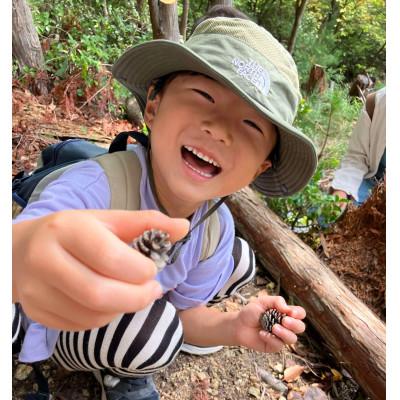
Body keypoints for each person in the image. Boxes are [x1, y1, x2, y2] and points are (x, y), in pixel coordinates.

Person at [12, 12, 318, 400]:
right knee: (154, 334)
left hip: (143, 296)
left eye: (251, 125)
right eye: (205, 96)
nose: (219, 129)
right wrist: (21, 253)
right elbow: (31, 243)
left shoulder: (215, 226)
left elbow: (187, 315)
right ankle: (121, 360)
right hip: (61, 319)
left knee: (239, 259)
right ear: (154, 107)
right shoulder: (96, 187)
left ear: (258, 169)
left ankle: (130, 346)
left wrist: (234, 327)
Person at [331, 87, 386, 210]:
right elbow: (357, 156)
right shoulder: (376, 103)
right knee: (327, 215)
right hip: (370, 184)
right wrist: (342, 189)